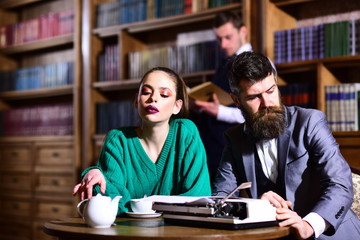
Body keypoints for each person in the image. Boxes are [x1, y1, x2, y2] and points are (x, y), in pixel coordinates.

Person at [212, 51, 360, 239]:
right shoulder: (234, 139)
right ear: (236, 101)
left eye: (271, 90)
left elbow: (340, 184)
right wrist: (256, 207)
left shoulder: (310, 122)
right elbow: (220, 200)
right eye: (254, 97)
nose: (267, 103)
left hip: (330, 235)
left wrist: (308, 225)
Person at [73, 67, 211, 215]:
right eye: (146, 92)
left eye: (164, 94)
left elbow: (199, 198)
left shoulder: (186, 133)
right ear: (137, 102)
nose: (153, 98)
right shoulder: (118, 140)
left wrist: (141, 209)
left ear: (177, 106)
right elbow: (113, 205)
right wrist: (96, 172)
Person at [190, 11, 252, 182]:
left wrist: (218, 111)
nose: (223, 44)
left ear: (243, 31)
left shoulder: (255, 64)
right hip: (212, 150)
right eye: (219, 39)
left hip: (233, 151)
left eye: (228, 37)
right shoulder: (224, 64)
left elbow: (257, 112)